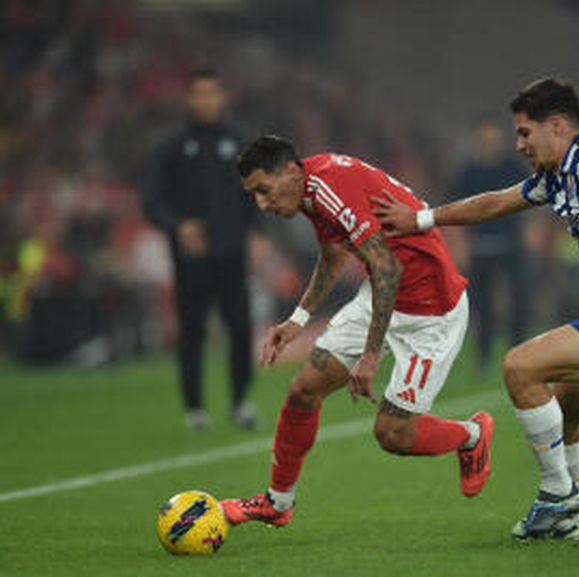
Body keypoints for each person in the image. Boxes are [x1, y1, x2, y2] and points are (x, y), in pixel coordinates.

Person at [373, 77, 579, 541]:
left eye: (526, 133)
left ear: (558, 126)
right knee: (564, 417)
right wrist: (423, 219)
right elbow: (496, 203)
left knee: (519, 366)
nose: (519, 144)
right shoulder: (555, 175)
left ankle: (556, 497)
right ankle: (567, 521)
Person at [219, 135, 494, 528]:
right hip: (380, 298)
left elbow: (387, 269)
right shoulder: (310, 191)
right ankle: (277, 503)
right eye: (254, 196)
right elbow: (333, 256)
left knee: (393, 434)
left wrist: (369, 357)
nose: (262, 204)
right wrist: (298, 319)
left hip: (431, 313)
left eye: (264, 190)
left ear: (291, 172)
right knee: (303, 390)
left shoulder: (329, 188)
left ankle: (471, 435)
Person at [143, 68, 258, 430]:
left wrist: (259, 233)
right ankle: (194, 408)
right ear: (188, 99)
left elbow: (258, 191)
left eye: (212, 93)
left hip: (232, 251)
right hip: (191, 257)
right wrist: (177, 225)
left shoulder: (240, 142)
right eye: (199, 93)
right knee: (192, 330)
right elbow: (151, 200)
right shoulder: (172, 147)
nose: (206, 100)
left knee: (240, 327)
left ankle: (240, 401)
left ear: (223, 98)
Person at [451, 119, 530, 371]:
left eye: (492, 138)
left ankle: (520, 353)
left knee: (519, 299)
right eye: (483, 138)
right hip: (480, 247)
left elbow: (533, 198)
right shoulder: (468, 172)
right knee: (482, 305)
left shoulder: (512, 168)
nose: (488, 142)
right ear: (477, 140)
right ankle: (484, 357)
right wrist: (459, 245)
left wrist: (531, 232)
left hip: (511, 244)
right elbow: (454, 209)